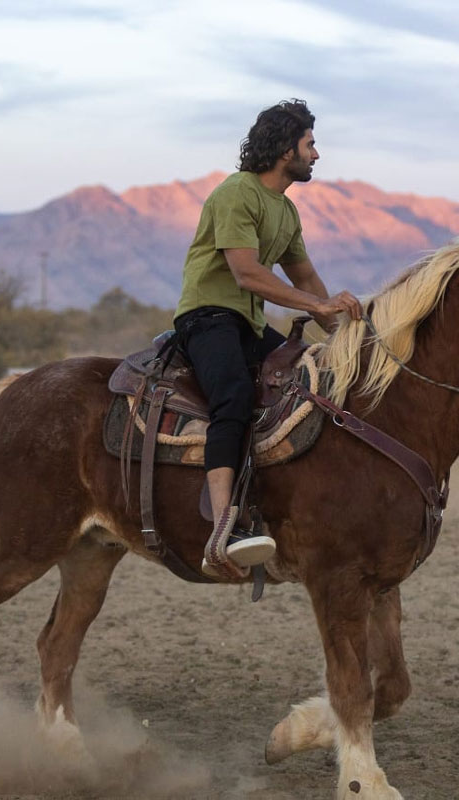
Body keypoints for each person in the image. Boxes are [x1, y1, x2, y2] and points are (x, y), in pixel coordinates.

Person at [173, 99, 362, 574]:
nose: (316, 155)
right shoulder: (236, 193)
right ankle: (222, 530)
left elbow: (305, 278)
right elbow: (247, 274)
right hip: (207, 318)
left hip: (248, 327)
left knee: (309, 385)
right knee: (233, 397)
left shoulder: (286, 212)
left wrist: (348, 338)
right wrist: (317, 306)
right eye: (310, 144)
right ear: (285, 149)